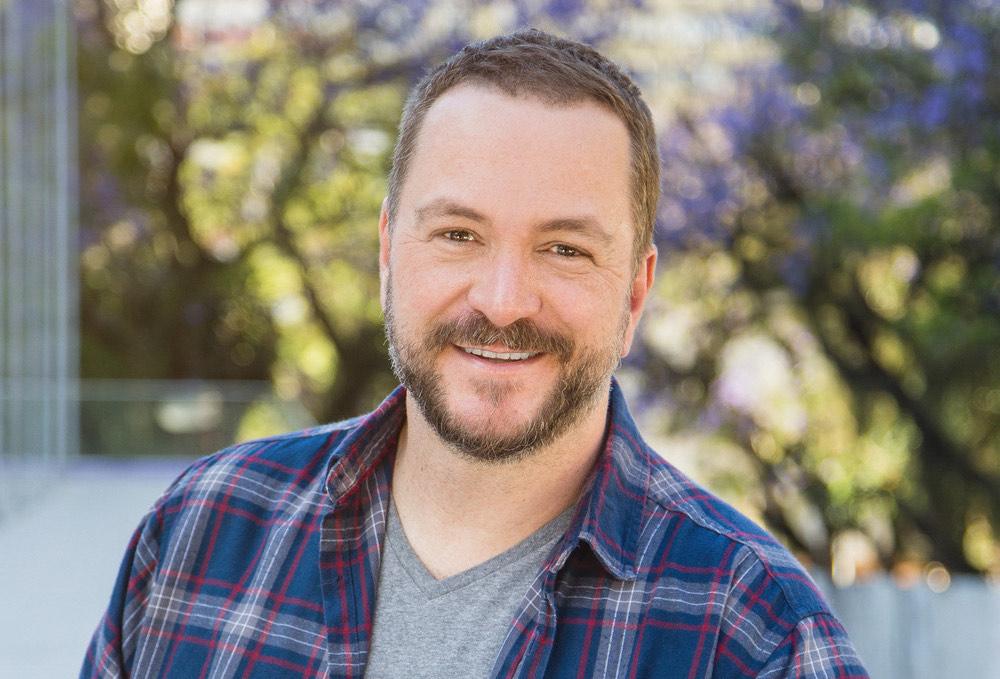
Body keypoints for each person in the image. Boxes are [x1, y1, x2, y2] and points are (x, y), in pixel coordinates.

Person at [82, 29, 868, 678]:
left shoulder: (760, 638)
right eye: (459, 234)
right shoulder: (198, 535)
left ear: (635, 291)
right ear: (389, 251)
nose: (502, 300)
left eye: (563, 249)